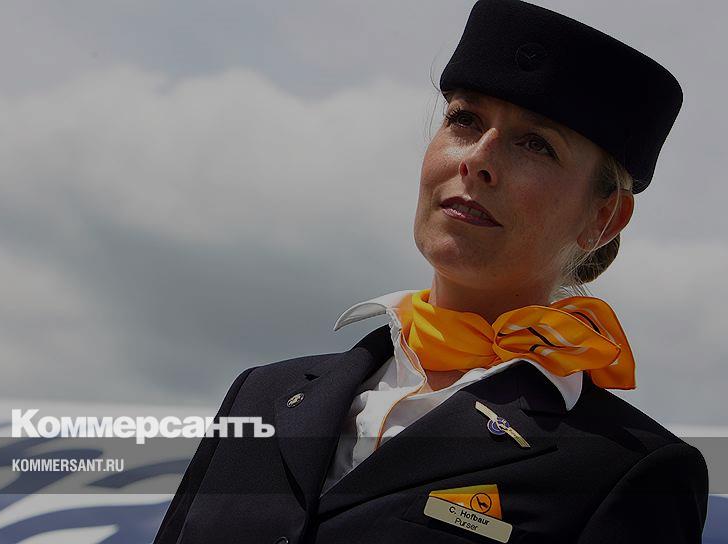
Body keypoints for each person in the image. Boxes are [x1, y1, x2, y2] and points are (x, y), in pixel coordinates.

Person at [153, 0, 709, 542]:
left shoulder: (625, 470)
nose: (478, 159)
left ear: (603, 217)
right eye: (465, 120)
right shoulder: (261, 395)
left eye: (536, 145)